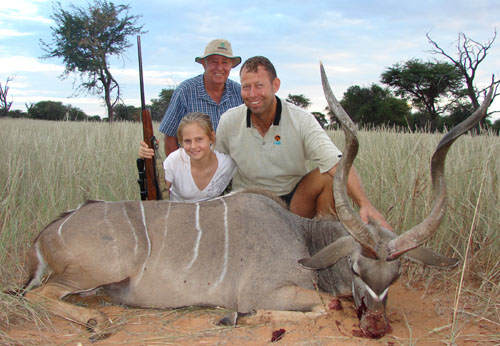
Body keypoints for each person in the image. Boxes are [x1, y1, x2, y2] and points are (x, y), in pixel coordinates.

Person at [215, 56, 390, 228]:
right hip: (247, 200)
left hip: (292, 202)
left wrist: (365, 204)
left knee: (328, 178)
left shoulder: (301, 119)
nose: (252, 94)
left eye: (259, 86)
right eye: (246, 87)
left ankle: (320, 243)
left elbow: (338, 164)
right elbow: (215, 169)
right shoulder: (229, 120)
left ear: (275, 85)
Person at [158, 38, 244, 158]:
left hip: (233, 171)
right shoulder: (185, 91)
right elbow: (170, 137)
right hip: (193, 172)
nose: (219, 67)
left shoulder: (240, 92)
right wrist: (177, 172)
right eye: (214, 62)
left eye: (224, 62)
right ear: (204, 64)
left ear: (231, 66)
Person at [141, 112, 236, 203]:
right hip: (177, 215)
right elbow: (155, 194)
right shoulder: (175, 160)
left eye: (199, 139)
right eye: (187, 141)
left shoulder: (227, 164)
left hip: (211, 216)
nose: (193, 146)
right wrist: (145, 159)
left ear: (211, 137)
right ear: (181, 142)